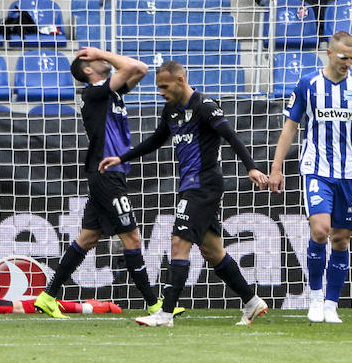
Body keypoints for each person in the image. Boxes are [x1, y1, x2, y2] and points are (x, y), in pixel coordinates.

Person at [100, 61, 270, 328]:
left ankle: (165, 314)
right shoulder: (170, 110)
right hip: (190, 185)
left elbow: (231, 136)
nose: (160, 92)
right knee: (213, 251)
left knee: (179, 241)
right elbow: (155, 140)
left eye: (164, 86)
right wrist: (120, 158)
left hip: (204, 185)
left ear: (180, 80)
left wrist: (252, 168)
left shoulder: (205, 106)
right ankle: (251, 301)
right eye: (158, 87)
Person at [33, 47, 180, 319]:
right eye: (96, 61)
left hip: (110, 174)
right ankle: (153, 304)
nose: (103, 61)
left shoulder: (110, 93)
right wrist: (99, 52)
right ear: (88, 70)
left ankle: (47, 296)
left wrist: (100, 56)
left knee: (87, 238)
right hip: (106, 174)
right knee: (132, 238)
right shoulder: (94, 93)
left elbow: (141, 69)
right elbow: (132, 64)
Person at [267, 31, 352, 323]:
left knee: (342, 239)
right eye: (343, 57)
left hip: (350, 173)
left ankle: (332, 303)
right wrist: (276, 167)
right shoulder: (309, 85)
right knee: (320, 230)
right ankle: (316, 297)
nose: (348, 63)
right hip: (316, 169)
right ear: (329, 54)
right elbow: (290, 127)